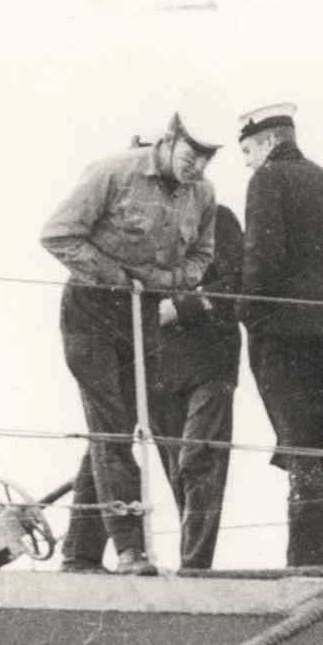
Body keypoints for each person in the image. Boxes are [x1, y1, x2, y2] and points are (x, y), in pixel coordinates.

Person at [41, 119, 224, 577]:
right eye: (192, 151)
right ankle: (129, 548)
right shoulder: (112, 173)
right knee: (111, 425)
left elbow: (202, 256)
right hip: (91, 312)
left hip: (141, 317)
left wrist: (166, 282)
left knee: (120, 423)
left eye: (207, 156)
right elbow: (58, 234)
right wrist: (119, 278)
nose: (197, 164)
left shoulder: (202, 195)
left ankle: (80, 554)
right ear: (169, 138)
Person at [58, 199, 245, 573]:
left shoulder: (216, 218)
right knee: (111, 443)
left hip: (207, 364)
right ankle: (80, 553)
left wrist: (182, 307)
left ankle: (195, 568)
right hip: (154, 367)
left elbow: (239, 281)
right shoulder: (133, 226)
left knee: (198, 463)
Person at [237, 104, 323, 569]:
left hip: (285, 342)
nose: (247, 162)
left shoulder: (267, 182)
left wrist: (250, 317)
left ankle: (305, 567)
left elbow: (263, 260)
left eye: (248, 150)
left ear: (270, 142)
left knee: (301, 457)